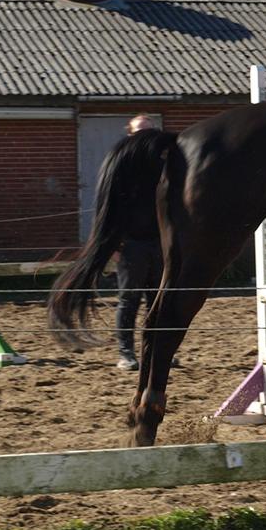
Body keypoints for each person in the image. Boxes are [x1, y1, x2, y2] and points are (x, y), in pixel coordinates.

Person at [114, 114, 164, 370]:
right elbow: (111, 208)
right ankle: (126, 353)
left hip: (159, 243)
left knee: (158, 301)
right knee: (129, 300)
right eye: (140, 133)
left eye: (149, 132)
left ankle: (156, 351)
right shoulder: (123, 167)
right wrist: (115, 243)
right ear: (130, 135)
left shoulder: (163, 165)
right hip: (132, 244)